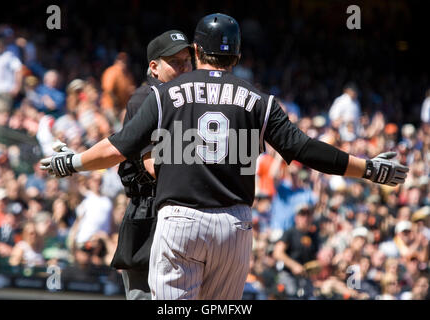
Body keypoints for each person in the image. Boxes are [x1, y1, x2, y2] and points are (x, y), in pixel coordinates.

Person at [40, 13, 409, 300]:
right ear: (237, 55)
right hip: (234, 227)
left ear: (197, 51)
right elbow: (303, 149)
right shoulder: (258, 99)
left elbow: (118, 148)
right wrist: (369, 168)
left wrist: (71, 162)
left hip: (180, 221)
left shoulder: (166, 93)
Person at [111, 30, 192, 300]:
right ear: (154, 67)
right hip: (149, 217)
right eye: (175, 62)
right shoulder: (145, 99)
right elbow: (154, 166)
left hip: (175, 212)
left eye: (187, 60)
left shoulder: (183, 99)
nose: (184, 67)